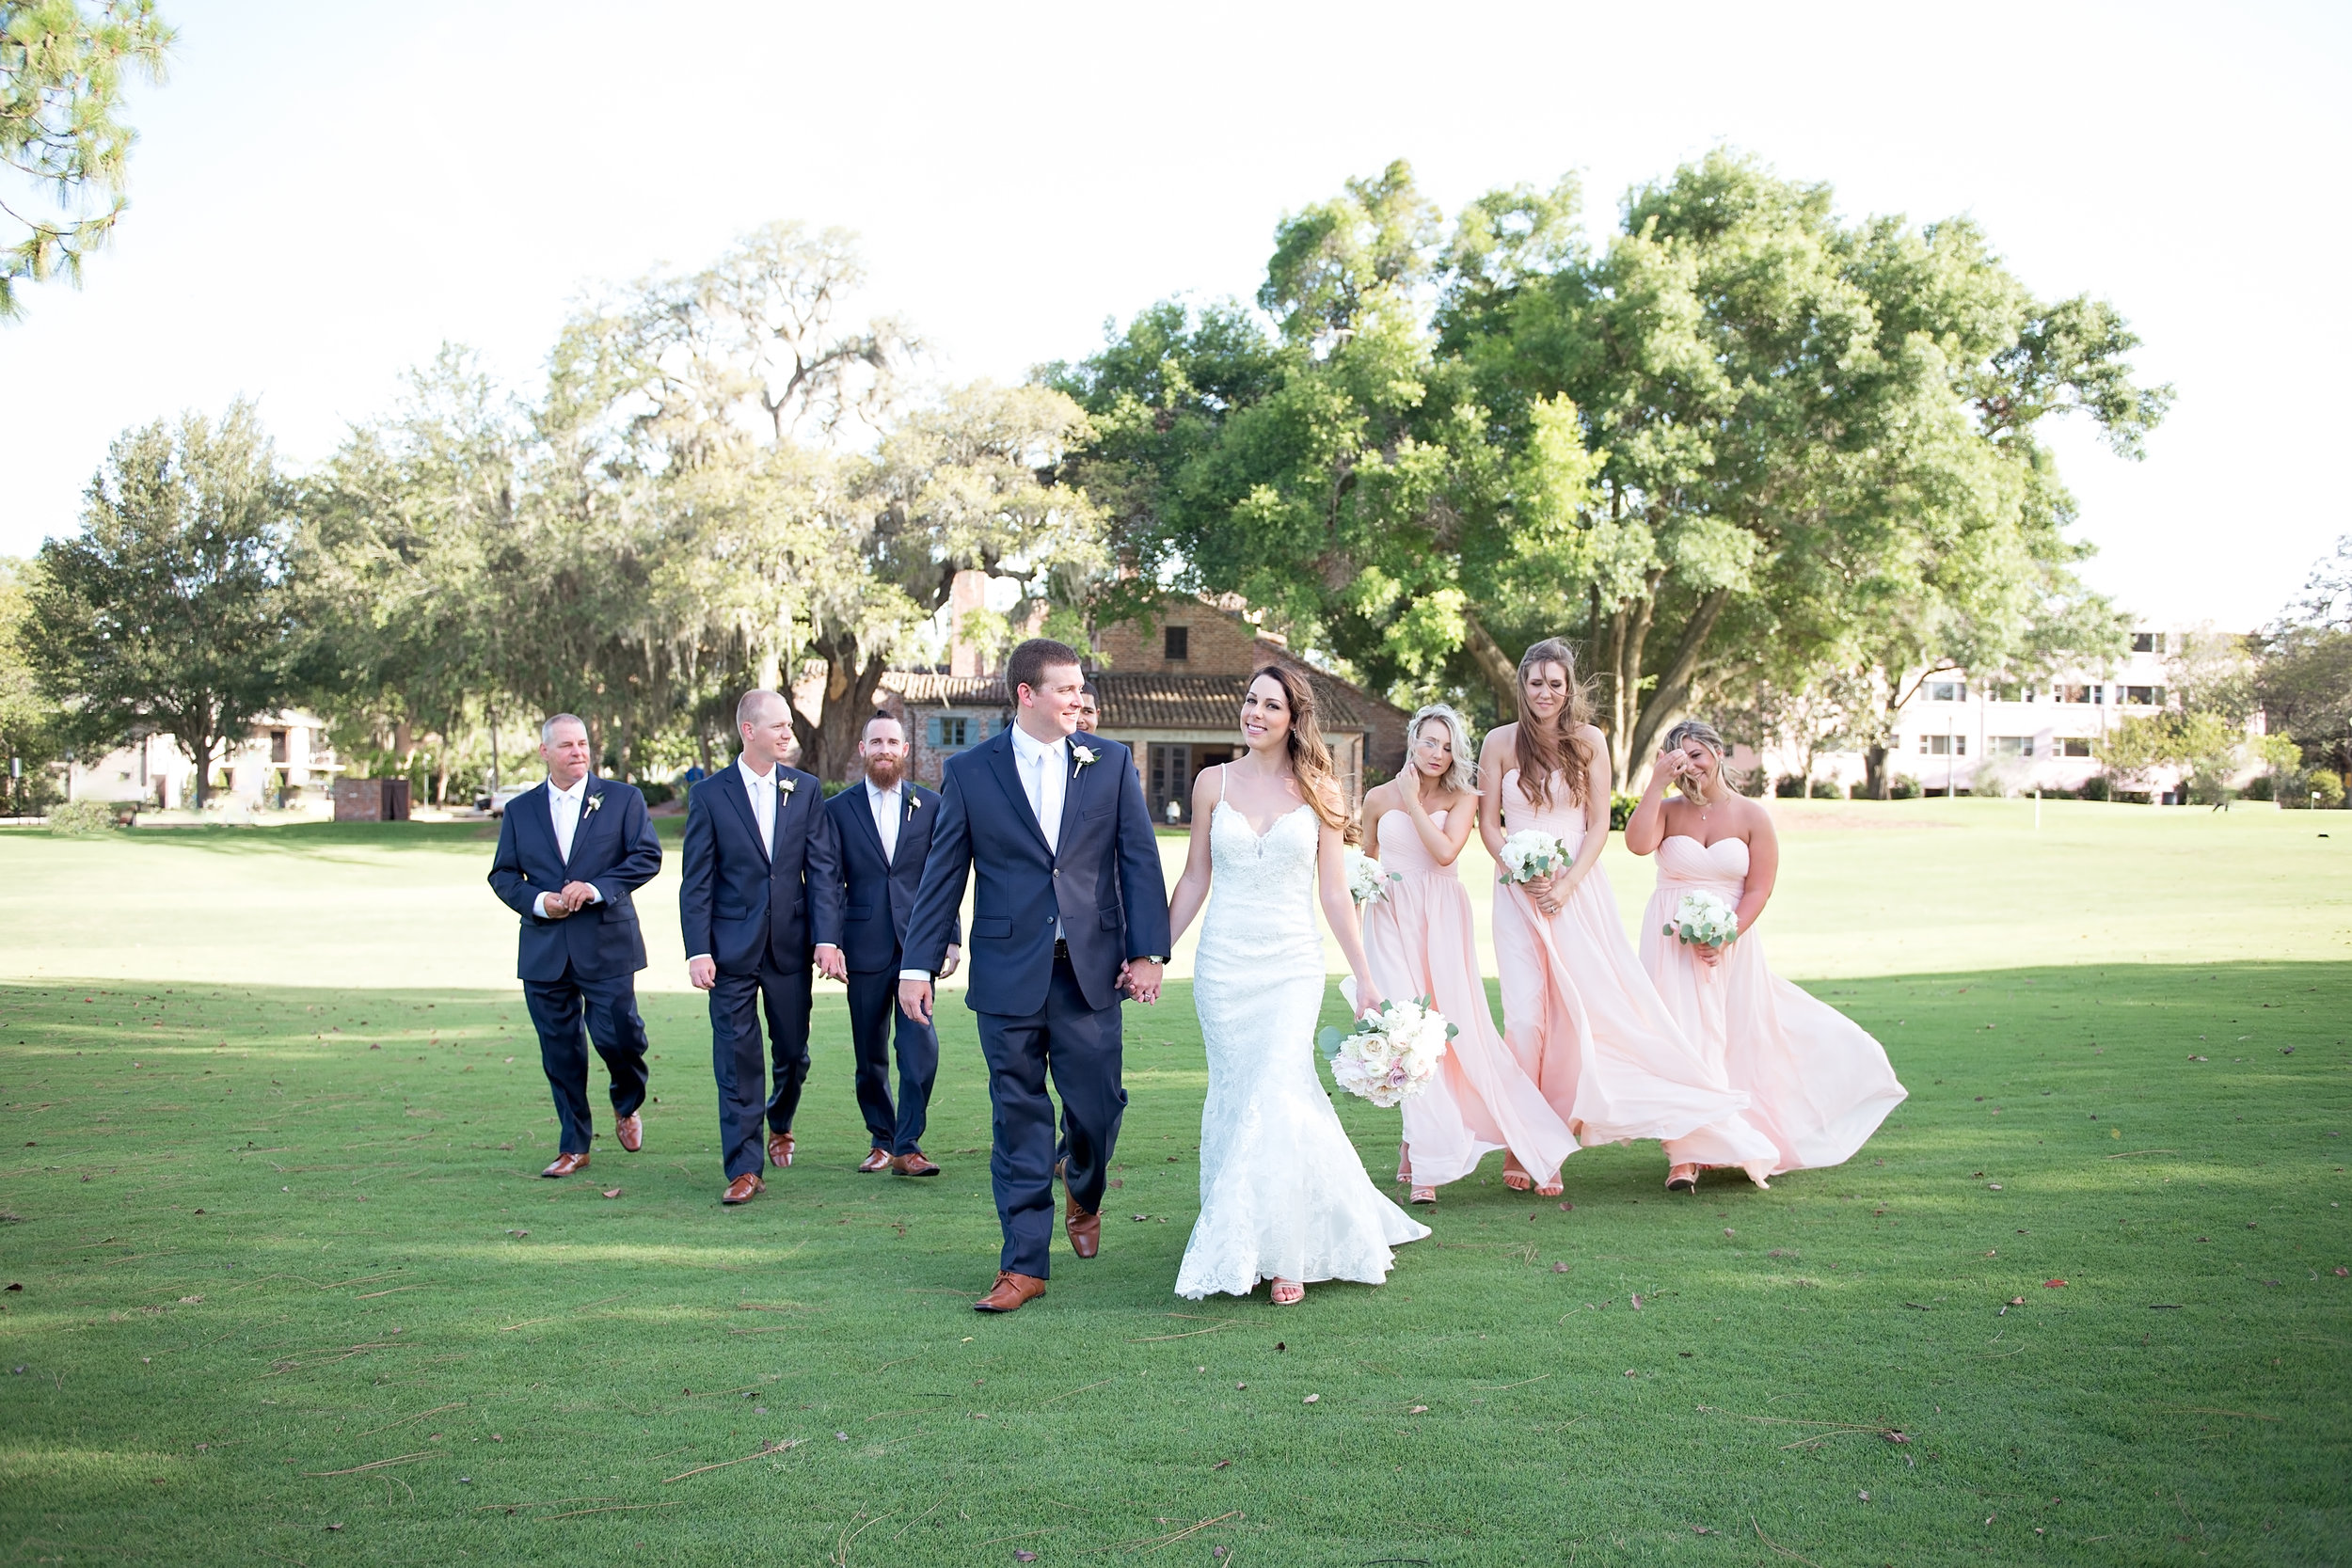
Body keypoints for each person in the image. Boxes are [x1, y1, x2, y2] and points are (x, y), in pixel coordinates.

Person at [898, 639, 1171, 1314]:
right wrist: (916, 962)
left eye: (1080, 688)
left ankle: (1084, 1185)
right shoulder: (970, 771)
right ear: (1026, 694)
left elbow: (1137, 860)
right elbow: (942, 876)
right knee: (1016, 1115)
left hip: (1091, 972)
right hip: (1007, 973)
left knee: (1097, 1108)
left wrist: (1148, 951)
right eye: (1066, 689)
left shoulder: (1109, 762)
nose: (1078, 699)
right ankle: (1022, 1263)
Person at [1166, 665, 1428, 1305]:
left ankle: (1287, 1250)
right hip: (1224, 966)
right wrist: (1154, 951)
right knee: (1237, 1096)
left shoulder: (1321, 792)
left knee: (1278, 1093)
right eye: (1249, 699)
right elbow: (1196, 876)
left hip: (1291, 966)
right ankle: (1241, 1235)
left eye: (1269, 704)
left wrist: (1364, 975)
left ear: (1293, 717)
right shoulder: (1210, 783)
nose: (1254, 712)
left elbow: (1335, 894)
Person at [1479, 640, 1772, 1195]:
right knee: (1523, 1018)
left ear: (1569, 689)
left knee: (1573, 1020)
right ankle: (1523, 1139)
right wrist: (1515, 867)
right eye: (1536, 682)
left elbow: (1597, 827)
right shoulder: (1498, 743)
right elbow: (1489, 824)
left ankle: (1554, 1143)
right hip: (1516, 893)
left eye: (1556, 683)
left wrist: (1565, 884)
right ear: (1522, 685)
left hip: (1577, 892)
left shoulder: (1589, 742)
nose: (1546, 693)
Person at [1625, 719, 1909, 1189]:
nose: (1689, 765)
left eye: (1697, 754)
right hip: (1669, 942)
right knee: (1682, 1038)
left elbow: (1759, 888)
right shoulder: (1667, 808)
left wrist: (1725, 935)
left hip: (1728, 944)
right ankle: (1684, 1154)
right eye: (1678, 757)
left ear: (1717, 754)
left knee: (1733, 1035)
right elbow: (1637, 845)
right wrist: (1655, 782)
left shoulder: (1752, 816)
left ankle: (1723, 1136)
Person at [1361, 705, 1575, 1205]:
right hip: (1391, 919)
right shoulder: (1375, 797)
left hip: (1442, 920)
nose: (1438, 753)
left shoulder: (1463, 797)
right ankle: (1426, 1164)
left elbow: (1444, 853)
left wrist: (1414, 802)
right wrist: (1362, 887)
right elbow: (1367, 855)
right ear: (1413, 740)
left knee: (1455, 1034)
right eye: (1429, 741)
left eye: (1448, 745)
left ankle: (1515, 1141)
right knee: (1405, 1033)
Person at [679, 689, 848, 1206]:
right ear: (748, 731)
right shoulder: (710, 794)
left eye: (789, 726)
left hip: (791, 947)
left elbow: (822, 869)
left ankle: (782, 1118)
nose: (787, 734)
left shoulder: (806, 789)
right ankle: (744, 1167)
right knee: (736, 1056)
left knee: (793, 1053)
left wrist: (826, 938)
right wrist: (698, 949)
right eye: (777, 726)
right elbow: (696, 881)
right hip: (728, 951)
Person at [486, 714, 664, 1179]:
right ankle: (574, 1143)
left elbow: (646, 857)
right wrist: (541, 902)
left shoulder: (623, 799)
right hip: (545, 949)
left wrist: (597, 887)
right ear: (545, 752)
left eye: (583, 743)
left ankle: (627, 1103)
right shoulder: (521, 811)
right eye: (566, 745)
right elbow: (503, 874)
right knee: (560, 1050)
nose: (578, 752)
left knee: (621, 1038)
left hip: (607, 944)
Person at [824, 711, 961, 1177]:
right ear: (863, 750)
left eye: (892, 742)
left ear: (906, 750)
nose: (884, 749)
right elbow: (827, 882)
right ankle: (881, 1139)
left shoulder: (933, 805)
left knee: (919, 1047)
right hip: (861, 947)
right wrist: (830, 941)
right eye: (875, 742)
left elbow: (945, 877)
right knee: (870, 1054)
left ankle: (908, 1143)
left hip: (917, 947)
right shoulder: (837, 810)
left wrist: (951, 939)